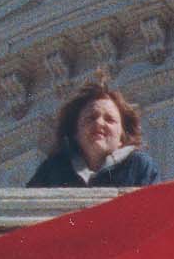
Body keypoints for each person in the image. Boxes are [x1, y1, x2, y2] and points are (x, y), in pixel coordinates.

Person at [28, 80, 160, 191]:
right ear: (75, 132)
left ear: (122, 137)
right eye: (91, 118)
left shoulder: (139, 167)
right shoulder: (52, 171)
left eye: (109, 120)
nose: (99, 123)